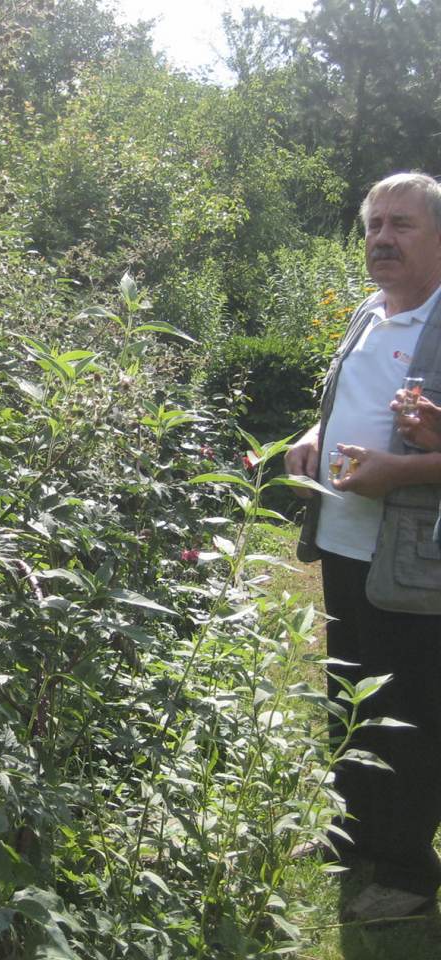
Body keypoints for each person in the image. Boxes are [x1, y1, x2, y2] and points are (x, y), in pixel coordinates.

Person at [284, 171, 441, 922]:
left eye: (402, 225)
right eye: (374, 224)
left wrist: (401, 471)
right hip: (346, 545)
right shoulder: (368, 314)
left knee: (410, 712)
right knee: (348, 695)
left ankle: (409, 877)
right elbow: (342, 396)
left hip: (417, 561)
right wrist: (314, 436)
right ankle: (351, 835)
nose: (381, 239)